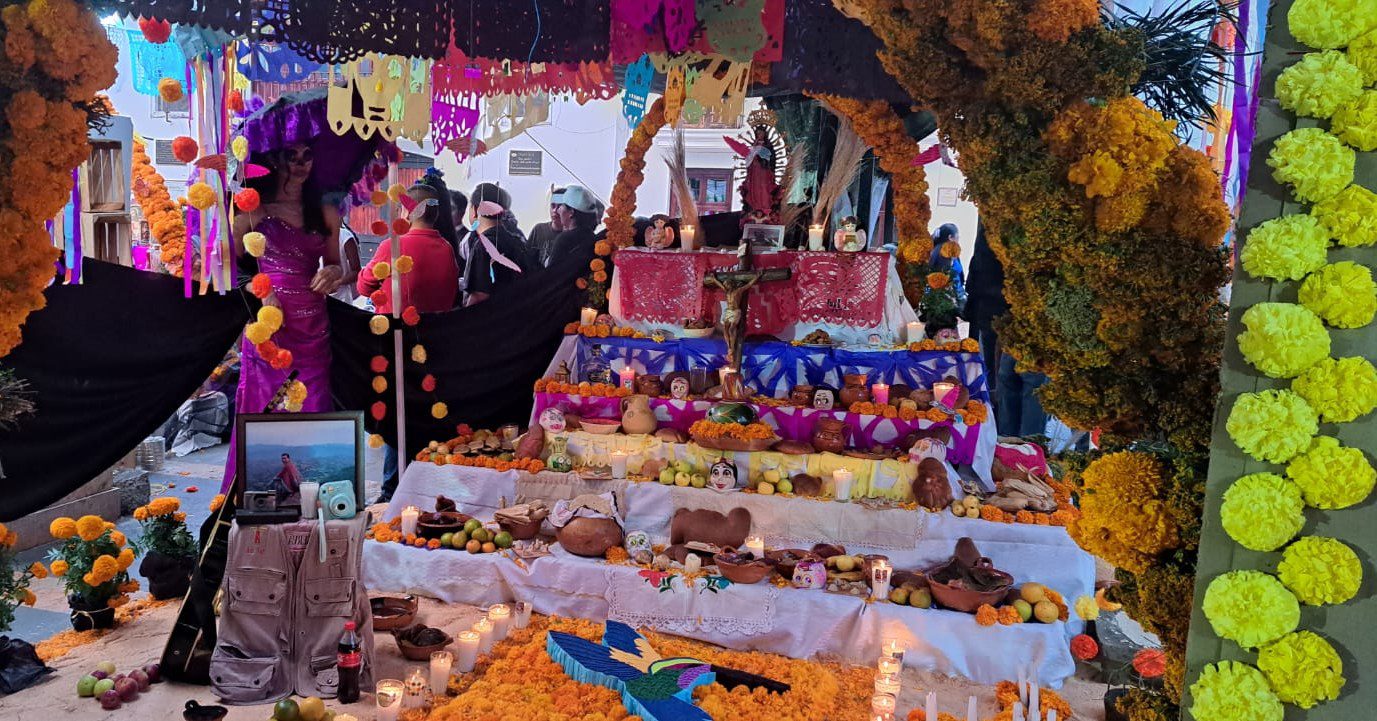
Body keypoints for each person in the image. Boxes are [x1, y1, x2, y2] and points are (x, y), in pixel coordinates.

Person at [224, 142, 342, 488]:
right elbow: (225, 266)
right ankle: (257, 497)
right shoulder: (252, 209)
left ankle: (313, 498)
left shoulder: (326, 212)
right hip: (270, 331)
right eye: (293, 156)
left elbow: (337, 264)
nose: (302, 164)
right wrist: (261, 291)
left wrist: (334, 273)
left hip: (313, 330)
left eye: (309, 155)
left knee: (314, 411)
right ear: (276, 158)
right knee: (265, 418)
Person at [357, 168, 460, 314]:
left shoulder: (392, 246)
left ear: (407, 212)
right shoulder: (447, 248)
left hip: (397, 332)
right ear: (436, 214)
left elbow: (364, 287)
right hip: (435, 330)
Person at [461, 182, 530, 305]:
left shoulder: (483, 245)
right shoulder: (516, 241)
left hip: (490, 319)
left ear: (476, 210)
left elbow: (479, 295)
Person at [545, 185, 601, 270]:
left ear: (571, 212)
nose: (558, 210)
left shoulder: (564, 240)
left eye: (562, 205)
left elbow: (551, 275)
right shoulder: (594, 239)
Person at [928, 223, 967, 307]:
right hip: (948, 300)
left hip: (953, 297)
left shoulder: (941, 250)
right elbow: (947, 280)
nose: (958, 239)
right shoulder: (944, 253)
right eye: (957, 237)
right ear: (950, 237)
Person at [526, 186, 566, 266]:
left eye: (560, 206)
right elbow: (527, 259)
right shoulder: (539, 229)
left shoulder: (572, 235)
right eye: (553, 206)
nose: (555, 210)